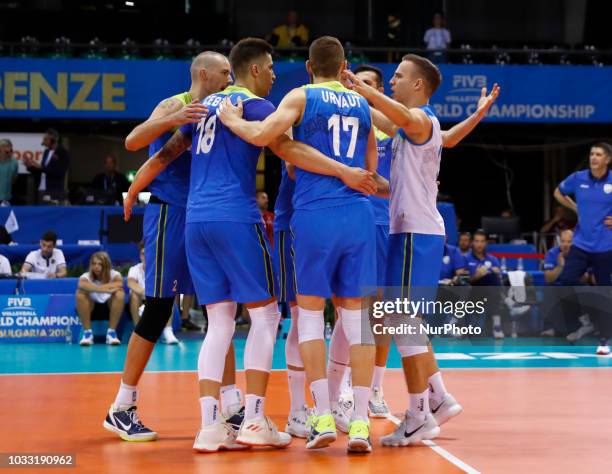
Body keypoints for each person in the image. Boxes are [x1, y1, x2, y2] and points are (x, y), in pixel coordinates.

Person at [126, 37, 376, 452]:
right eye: (272, 67)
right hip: (238, 217)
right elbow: (286, 149)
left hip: (196, 220)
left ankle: (210, 426)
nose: (276, 75)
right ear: (256, 70)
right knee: (266, 317)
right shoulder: (259, 106)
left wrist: (134, 191)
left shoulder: (203, 107)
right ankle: (256, 419)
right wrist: (342, 171)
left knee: (219, 322)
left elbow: (157, 153)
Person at [219, 36, 384, 454]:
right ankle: (361, 422)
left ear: (309, 67)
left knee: (309, 316)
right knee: (357, 321)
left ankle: (321, 415)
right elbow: (370, 172)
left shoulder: (300, 95)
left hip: (316, 216)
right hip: (359, 216)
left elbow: (264, 139)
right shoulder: (362, 104)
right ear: (344, 64)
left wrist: (233, 120)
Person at [343, 55, 498, 446]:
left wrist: (362, 88)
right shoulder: (412, 128)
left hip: (417, 234)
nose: (390, 81)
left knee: (404, 322)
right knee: (402, 322)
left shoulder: (421, 119)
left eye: (397, 76)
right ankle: (437, 398)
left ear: (417, 85)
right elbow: (448, 137)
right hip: (408, 232)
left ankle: (419, 414)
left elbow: (393, 114)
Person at [104, 51, 243, 444]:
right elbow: (134, 142)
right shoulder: (176, 103)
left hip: (205, 213)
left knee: (221, 307)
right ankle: (122, 406)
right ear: (203, 73)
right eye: (224, 72)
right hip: (170, 214)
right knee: (160, 305)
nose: (230, 78)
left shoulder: (225, 106)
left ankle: (232, 407)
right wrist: (172, 120)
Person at [554, 142, 612, 355]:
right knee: (565, 282)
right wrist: (574, 207)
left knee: (605, 291)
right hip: (581, 243)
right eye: (591, 154)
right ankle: (584, 320)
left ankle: (604, 341)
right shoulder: (578, 178)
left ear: (607, 159)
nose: (593, 158)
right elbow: (558, 192)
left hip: (606, 245)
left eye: (598, 154)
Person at [541, 229, 594, 339]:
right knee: (548, 289)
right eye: (563, 241)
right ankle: (549, 327)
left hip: (575, 285)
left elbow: (587, 278)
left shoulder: (581, 254)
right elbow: (548, 278)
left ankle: (584, 325)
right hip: (557, 286)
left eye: (569, 242)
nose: (565, 244)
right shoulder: (552, 253)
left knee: (584, 289)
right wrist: (560, 266)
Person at [127, 242, 179, 344]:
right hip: (142, 298)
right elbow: (131, 283)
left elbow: (168, 286)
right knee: (133, 295)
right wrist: (147, 294)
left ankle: (168, 331)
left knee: (169, 295)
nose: (145, 256)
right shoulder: (134, 269)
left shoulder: (162, 268)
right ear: (140, 255)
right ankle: (137, 331)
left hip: (158, 298)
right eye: (142, 253)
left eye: (147, 253)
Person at [76, 251, 125, 346]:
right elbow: (81, 284)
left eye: (100, 264)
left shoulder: (115, 274)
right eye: (94, 264)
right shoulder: (86, 276)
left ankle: (111, 333)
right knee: (80, 293)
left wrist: (92, 288)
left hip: (109, 307)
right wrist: (106, 290)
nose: (96, 266)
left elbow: (119, 284)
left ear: (106, 265)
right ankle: (87, 334)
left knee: (120, 293)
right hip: (91, 307)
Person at [466, 230, 505, 338]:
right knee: (492, 282)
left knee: (492, 280)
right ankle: (507, 304)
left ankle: (497, 326)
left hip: (490, 292)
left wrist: (491, 272)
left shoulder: (492, 259)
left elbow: (499, 275)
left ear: (486, 243)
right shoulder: (466, 258)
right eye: (477, 241)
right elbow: (465, 280)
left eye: (482, 241)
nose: (479, 244)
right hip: (473, 291)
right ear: (472, 243)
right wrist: (477, 276)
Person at [23, 129, 70, 196]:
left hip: (54, 191)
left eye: (45, 139)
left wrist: (41, 167)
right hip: (41, 190)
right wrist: (30, 166)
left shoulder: (63, 153)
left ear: (53, 140)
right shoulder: (46, 152)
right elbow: (42, 171)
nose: (43, 142)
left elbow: (59, 172)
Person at [0, 139, 18, 204]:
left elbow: (14, 179)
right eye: (5, 146)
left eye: (9, 146)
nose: (8, 148)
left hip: (6, 199)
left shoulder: (14, 162)